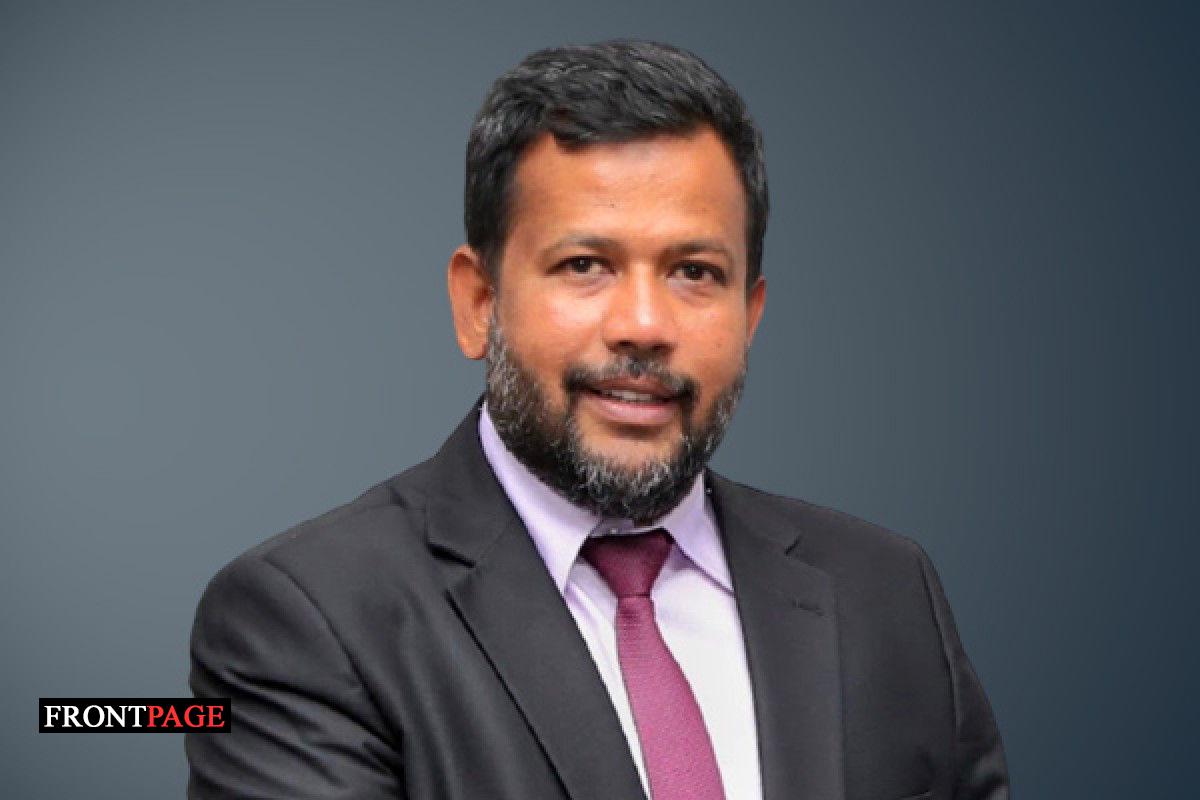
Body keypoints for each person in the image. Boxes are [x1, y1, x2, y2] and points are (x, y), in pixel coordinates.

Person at [186, 40, 1009, 800]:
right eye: (585, 265)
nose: (644, 325)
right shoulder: (313, 619)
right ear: (479, 303)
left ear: (750, 315)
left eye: (695, 272)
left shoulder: (884, 591)